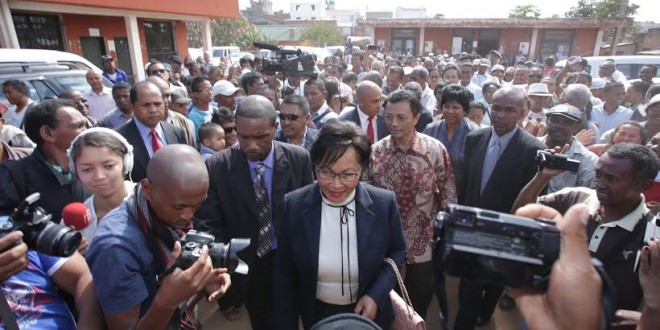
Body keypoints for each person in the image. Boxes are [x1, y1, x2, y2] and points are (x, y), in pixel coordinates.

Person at [195, 95, 314, 330]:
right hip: (246, 267)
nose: (251, 145)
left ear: (274, 127)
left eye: (260, 137)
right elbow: (209, 224)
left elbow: (307, 213)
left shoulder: (298, 159)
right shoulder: (218, 166)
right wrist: (219, 267)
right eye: (243, 137)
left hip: (288, 260)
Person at [274, 120, 407, 329]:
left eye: (348, 175)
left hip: (369, 312)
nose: (336, 185)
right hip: (317, 313)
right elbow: (284, 271)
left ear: (362, 169)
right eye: (326, 172)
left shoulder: (383, 204)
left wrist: (375, 295)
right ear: (315, 166)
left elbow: (397, 251)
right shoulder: (294, 205)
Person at [87, 145, 231, 329]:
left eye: (196, 205)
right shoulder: (115, 248)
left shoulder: (162, 213)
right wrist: (165, 302)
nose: (188, 215)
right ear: (147, 189)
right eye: (180, 207)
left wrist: (201, 282)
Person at [512, 143, 659, 311]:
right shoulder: (575, 198)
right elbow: (519, 216)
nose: (600, 183)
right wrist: (541, 178)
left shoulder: (652, 236)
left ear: (644, 185)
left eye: (611, 179)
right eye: (598, 174)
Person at [454, 86, 546, 329]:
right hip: (472, 228)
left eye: (509, 110)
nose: (501, 115)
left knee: (495, 282)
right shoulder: (475, 138)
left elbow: (536, 199)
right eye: (496, 108)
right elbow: (465, 184)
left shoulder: (533, 149)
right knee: (469, 286)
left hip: (507, 232)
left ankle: (485, 314)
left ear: (523, 113)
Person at [370, 90, 456, 320]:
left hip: (424, 242)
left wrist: (445, 234)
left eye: (401, 117)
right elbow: (368, 200)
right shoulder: (375, 153)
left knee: (419, 298)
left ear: (416, 118)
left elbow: (448, 193)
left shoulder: (435, 150)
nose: (393, 123)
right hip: (387, 244)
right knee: (390, 301)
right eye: (388, 117)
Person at [510, 204, 605, 330]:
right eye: (599, 181)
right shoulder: (580, 197)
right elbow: (522, 205)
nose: (602, 183)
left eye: (613, 181)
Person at [0, 99, 88, 221]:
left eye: (86, 124)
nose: (87, 131)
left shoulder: (96, 167)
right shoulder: (14, 175)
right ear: (47, 133)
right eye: (78, 126)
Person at [66, 127, 136, 246]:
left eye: (108, 166)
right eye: (87, 169)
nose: (99, 176)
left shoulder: (150, 202)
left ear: (126, 163)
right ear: (75, 171)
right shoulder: (73, 221)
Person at [116, 81, 186, 182]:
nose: (153, 110)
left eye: (157, 104)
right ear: (132, 105)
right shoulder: (119, 139)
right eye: (146, 105)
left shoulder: (176, 132)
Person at [423, 85, 479, 187]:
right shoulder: (430, 129)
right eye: (447, 106)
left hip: (462, 191)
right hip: (432, 189)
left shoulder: (475, 133)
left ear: (465, 109)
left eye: (456, 107)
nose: (450, 111)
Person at [539, 104, 599, 193]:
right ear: (547, 121)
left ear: (577, 127)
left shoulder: (588, 160)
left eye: (567, 123)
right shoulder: (530, 147)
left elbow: (586, 197)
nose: (559, 126)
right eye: (555, 120)